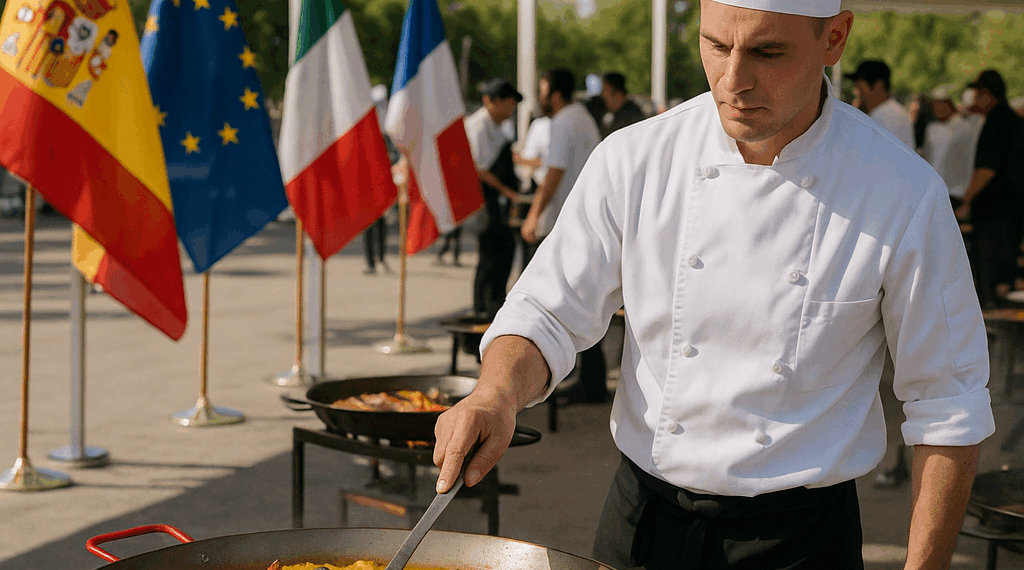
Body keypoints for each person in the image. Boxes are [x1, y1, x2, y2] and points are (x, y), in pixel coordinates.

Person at [433, 1, 995, 569]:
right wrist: (495, 394)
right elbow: (547, 311)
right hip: (642, 522)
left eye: (767, 52)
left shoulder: (901, 192)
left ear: (835, 39)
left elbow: (948, 403)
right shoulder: (635, 160)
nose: (734, 81)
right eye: (717, 46)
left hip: (801, 543)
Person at [521, 67, 607, 405]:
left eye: (542, 88)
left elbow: (553, 172)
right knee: (590, 304)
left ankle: (576, 381)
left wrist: (533, 215)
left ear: (554, 93)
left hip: (571, 226)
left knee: (562, 305)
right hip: (587, 224)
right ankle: (591, 382)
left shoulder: (565, 121)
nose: (540, 96)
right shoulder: (581, 117)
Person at [954, 69, 1024, 309]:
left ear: (987, 94)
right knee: (1003, 274)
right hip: (1009, 212)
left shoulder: (998, 122)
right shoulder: (1011, 120)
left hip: (997, 215)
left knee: (994, 281)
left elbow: (987, 169)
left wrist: (966, 200)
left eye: (977, 94)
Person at [464, 78, 522, 319]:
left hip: (499, 202)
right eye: (509, 105)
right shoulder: (478, 126)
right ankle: (483, 310)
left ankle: (496, 305)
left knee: (504, 253)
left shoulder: (497, 127)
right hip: (486, 201)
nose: (511, 112)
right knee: (489, 257)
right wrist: (508, 192)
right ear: (493, 101)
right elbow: (480, 169)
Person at [849, 59, 915, 149]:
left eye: (859, 87)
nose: (855, 92)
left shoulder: (885, 116)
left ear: (878, 85)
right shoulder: (892, 112)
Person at [598, 72, 648, 139]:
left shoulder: (630, 116)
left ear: (618, 93)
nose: (602, 95)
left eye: (605, 90)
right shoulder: (622, 113)